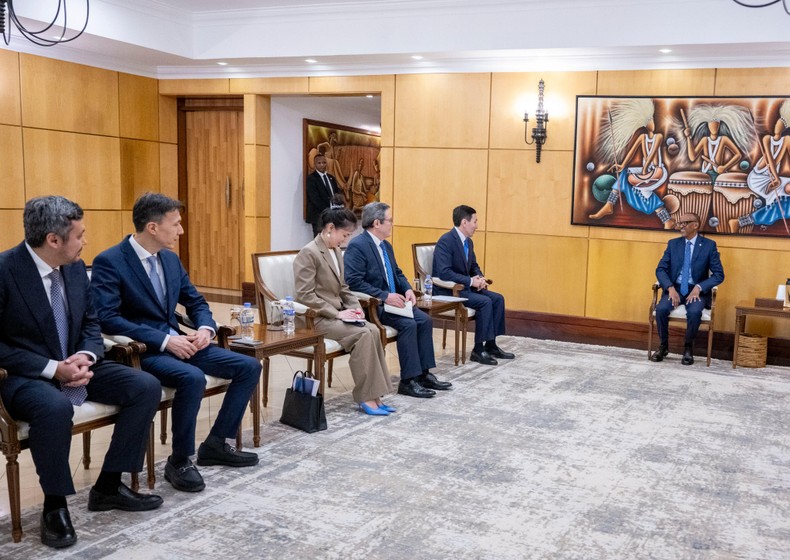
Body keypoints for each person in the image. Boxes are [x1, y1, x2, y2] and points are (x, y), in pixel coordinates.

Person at [0, 196, 163, 549]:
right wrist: (53, 369)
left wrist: (86, 356)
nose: (86, 241)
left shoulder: (75, 267)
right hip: (25, 374)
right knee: (55, 409)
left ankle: (108, 485)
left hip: (78, 361)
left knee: (145, 386)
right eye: (80, 235)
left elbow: (91, 321)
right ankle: (55, 506)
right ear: (53, 240)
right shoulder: (5, 271)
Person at [90, 193, 261, 494]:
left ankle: (216, 443)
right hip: (144, 350)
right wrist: (165, 340)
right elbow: (107, 318)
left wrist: (206, 328)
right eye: (177, 224)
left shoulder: (169, 259)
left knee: (248, 366)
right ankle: (180, 460)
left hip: (182, 342)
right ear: (153, 227)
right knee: (191, 378)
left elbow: (194, 301)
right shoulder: (111, 261)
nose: (181, 231)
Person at [344, 202, 452, 399]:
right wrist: (385, 296)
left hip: (397, 304)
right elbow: (353, 282)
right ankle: (408, 381)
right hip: (375, 306)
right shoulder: (357, 246)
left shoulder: (386, 246)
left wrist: (408, 289)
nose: (392, 224)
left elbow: (398, 273)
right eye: (390, 220)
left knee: (425, 320)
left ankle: (423, 374)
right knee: (409, 325)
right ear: (377, 223)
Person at [293, 206, 395, 415]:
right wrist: (337, 313)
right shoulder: (309, 253)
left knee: (373, 330)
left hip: (336, 315)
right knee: (363, 335)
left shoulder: (335, 251)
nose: (346, 240)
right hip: (316, 319)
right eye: (344, 235)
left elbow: (344, 288)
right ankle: (365, 397)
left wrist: (356, 309)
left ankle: (376, 395)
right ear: (330, 228)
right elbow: (305, 295)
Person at [432, 205, 515, 366]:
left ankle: (490, 344)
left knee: (498, 299)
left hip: (466, 288)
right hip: (448, 291)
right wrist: (470, 281)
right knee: (485, 302)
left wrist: (480, 278)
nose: (477, 225)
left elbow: (473, 266)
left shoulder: (468, 243)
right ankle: (478, 350)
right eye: (475, 221)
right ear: (464, 222)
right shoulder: (446, 241)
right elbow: (444, 273)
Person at [651, 212, 725, 366]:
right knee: (661, 309)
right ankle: (663, 346)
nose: (681, 226)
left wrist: (699, 287)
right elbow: (660, 269)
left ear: (695, 225)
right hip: (675, 288)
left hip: (696, 290)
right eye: (680, 223)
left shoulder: (709, 245)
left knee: (694, 312)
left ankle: (688, 348)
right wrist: (670, 287)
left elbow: (719, 275)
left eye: (685, 223)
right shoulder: (673, 244)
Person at [588, 99, 674, 228]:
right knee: (625, 175)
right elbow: (631, 152)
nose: (652, 122)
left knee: (641, 189)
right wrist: (622, 165)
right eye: (649, 120)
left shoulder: (659, 136)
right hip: (647, 171)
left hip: (658, 172)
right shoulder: (642, 137)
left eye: (652, 119)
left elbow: (651, 156)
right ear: (644, 124)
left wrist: (645, 168)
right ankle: (609, 205)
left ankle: (666, 220)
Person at [730, 99, 790, 233]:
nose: (779, 125)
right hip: (759, 178)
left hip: (774, 178)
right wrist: (776, 179)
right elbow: (769, 162)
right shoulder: (766, 139)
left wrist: (776, 180)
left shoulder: (787, 140)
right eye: (781, 121)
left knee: (786, 196)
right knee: (784, 200)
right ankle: (743, 221)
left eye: (784, 123)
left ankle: (750, 221)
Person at [306, 154, 341, 236]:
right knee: (320, 240)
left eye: (324, 162)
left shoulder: (331, 178)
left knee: (332, 238)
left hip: (332, 216)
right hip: (319, 216)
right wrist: (328, 210)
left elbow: (336, 193)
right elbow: (314, 198)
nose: (322, 165)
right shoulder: (311, 179)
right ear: (315, 164)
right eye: (319, 163)